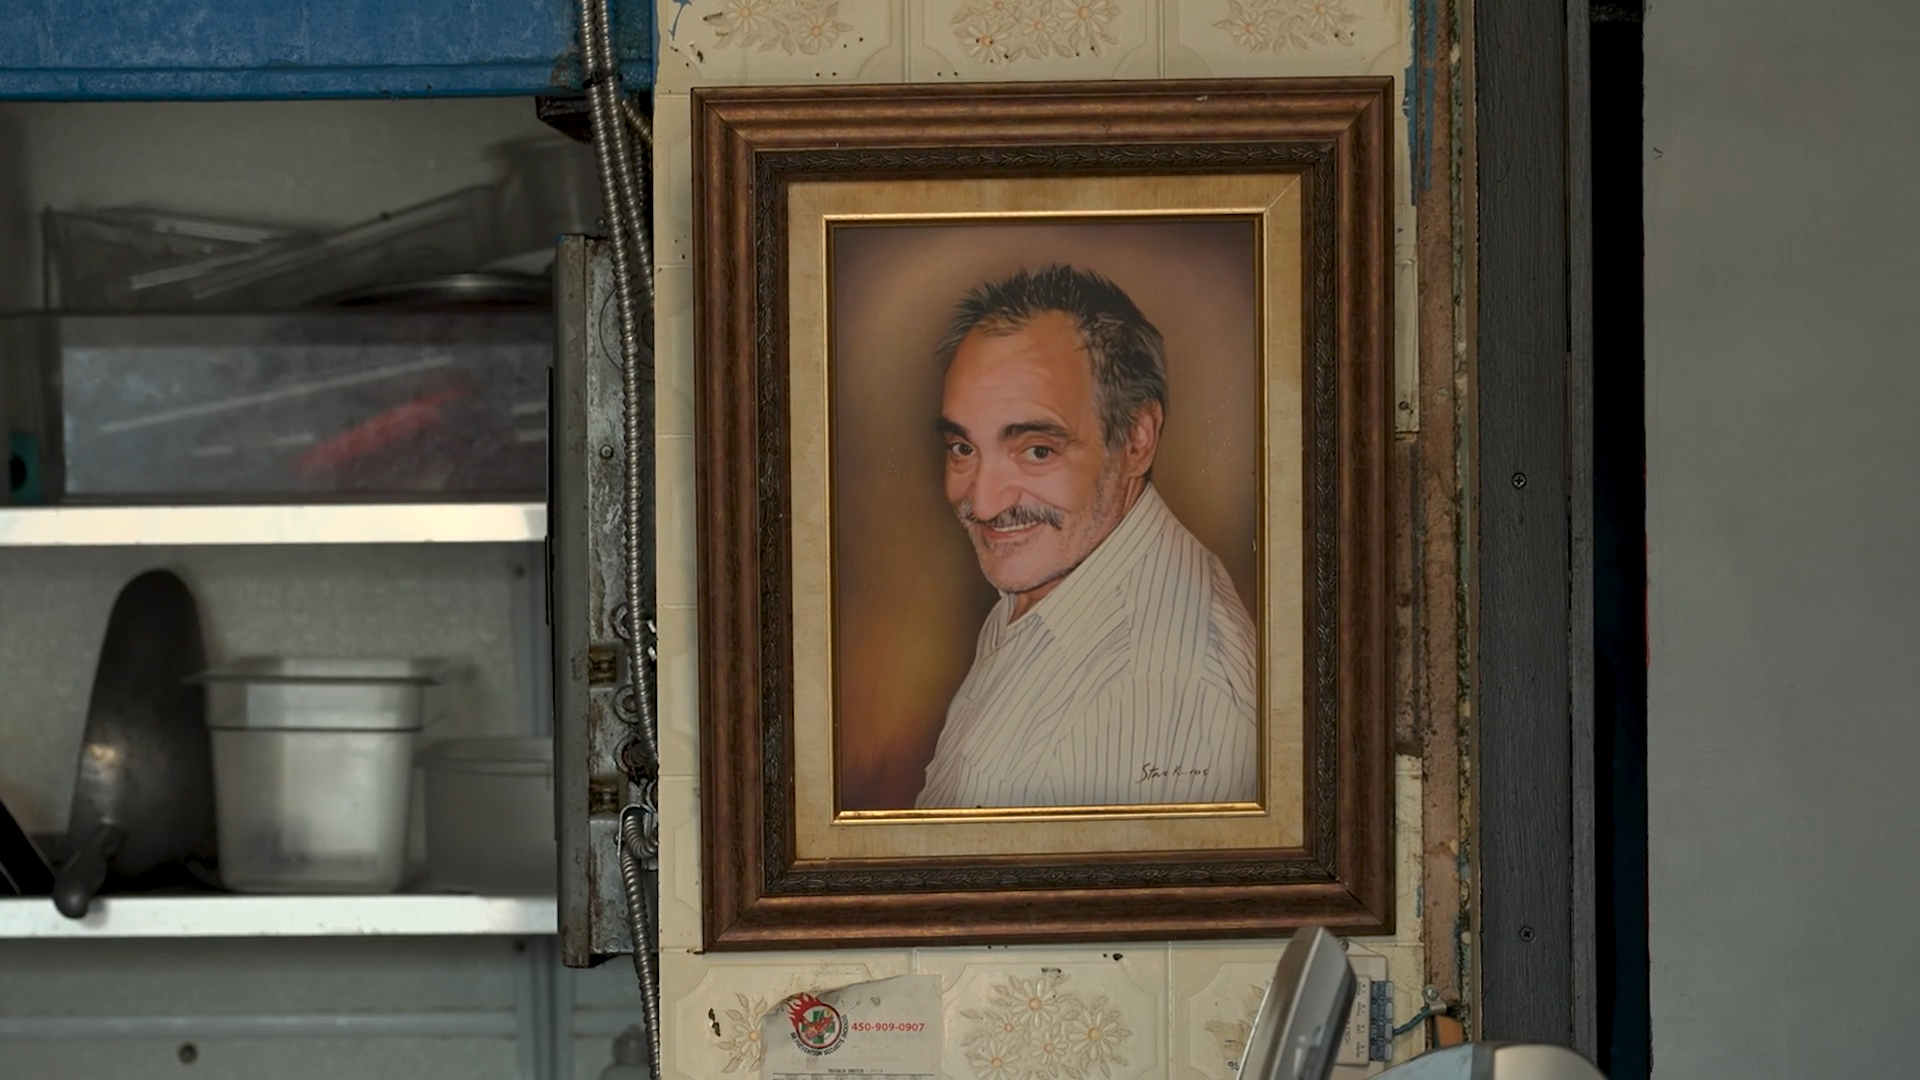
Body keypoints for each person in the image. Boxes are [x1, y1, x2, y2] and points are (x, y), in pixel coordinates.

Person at [913, 263, 1259, 809]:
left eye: (1037, 450)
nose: (982, 503)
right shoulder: (1055, 578)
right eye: (963, 448)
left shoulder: (1156, 696)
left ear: (1137, 441)